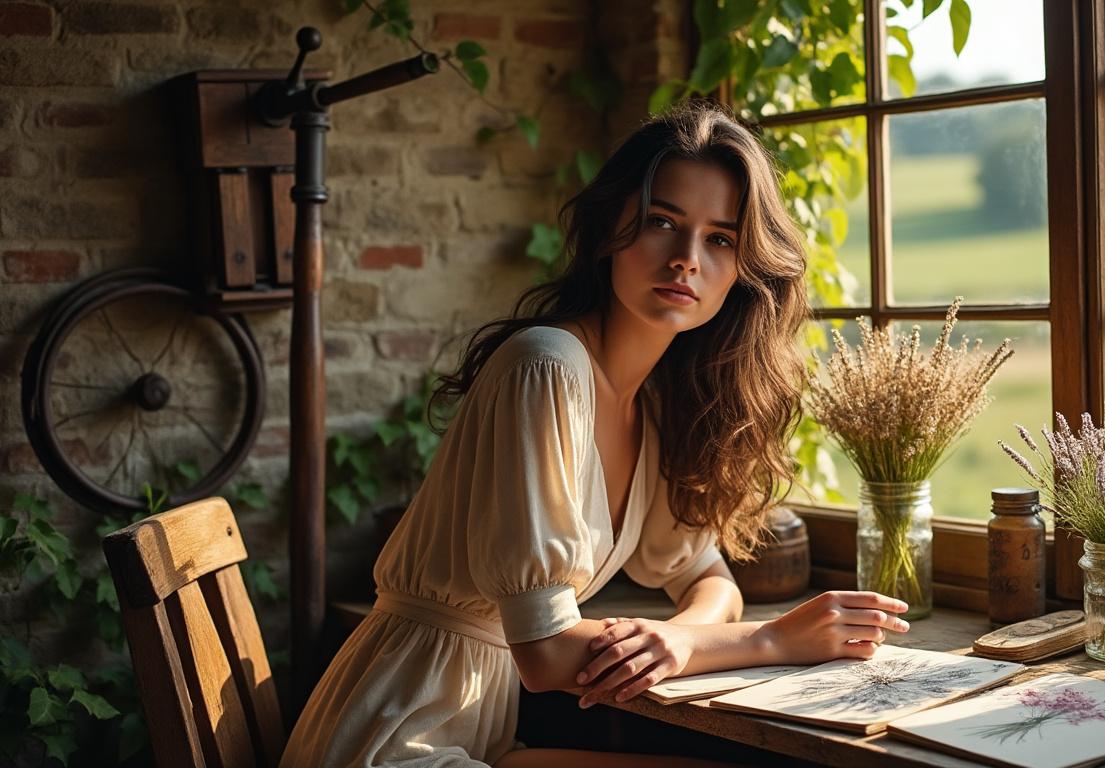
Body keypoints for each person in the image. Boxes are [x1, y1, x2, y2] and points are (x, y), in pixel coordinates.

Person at [279, 102, 910, 768]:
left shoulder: (655, 406)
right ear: (611, 228)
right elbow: (547, 656)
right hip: (388, 740)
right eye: (662, 222)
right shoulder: (546, 366)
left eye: (721, 239)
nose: (686, 260)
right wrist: (770, 641)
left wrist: (677, 641)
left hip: (480, 740)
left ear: (745, 270)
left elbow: (711, 581)